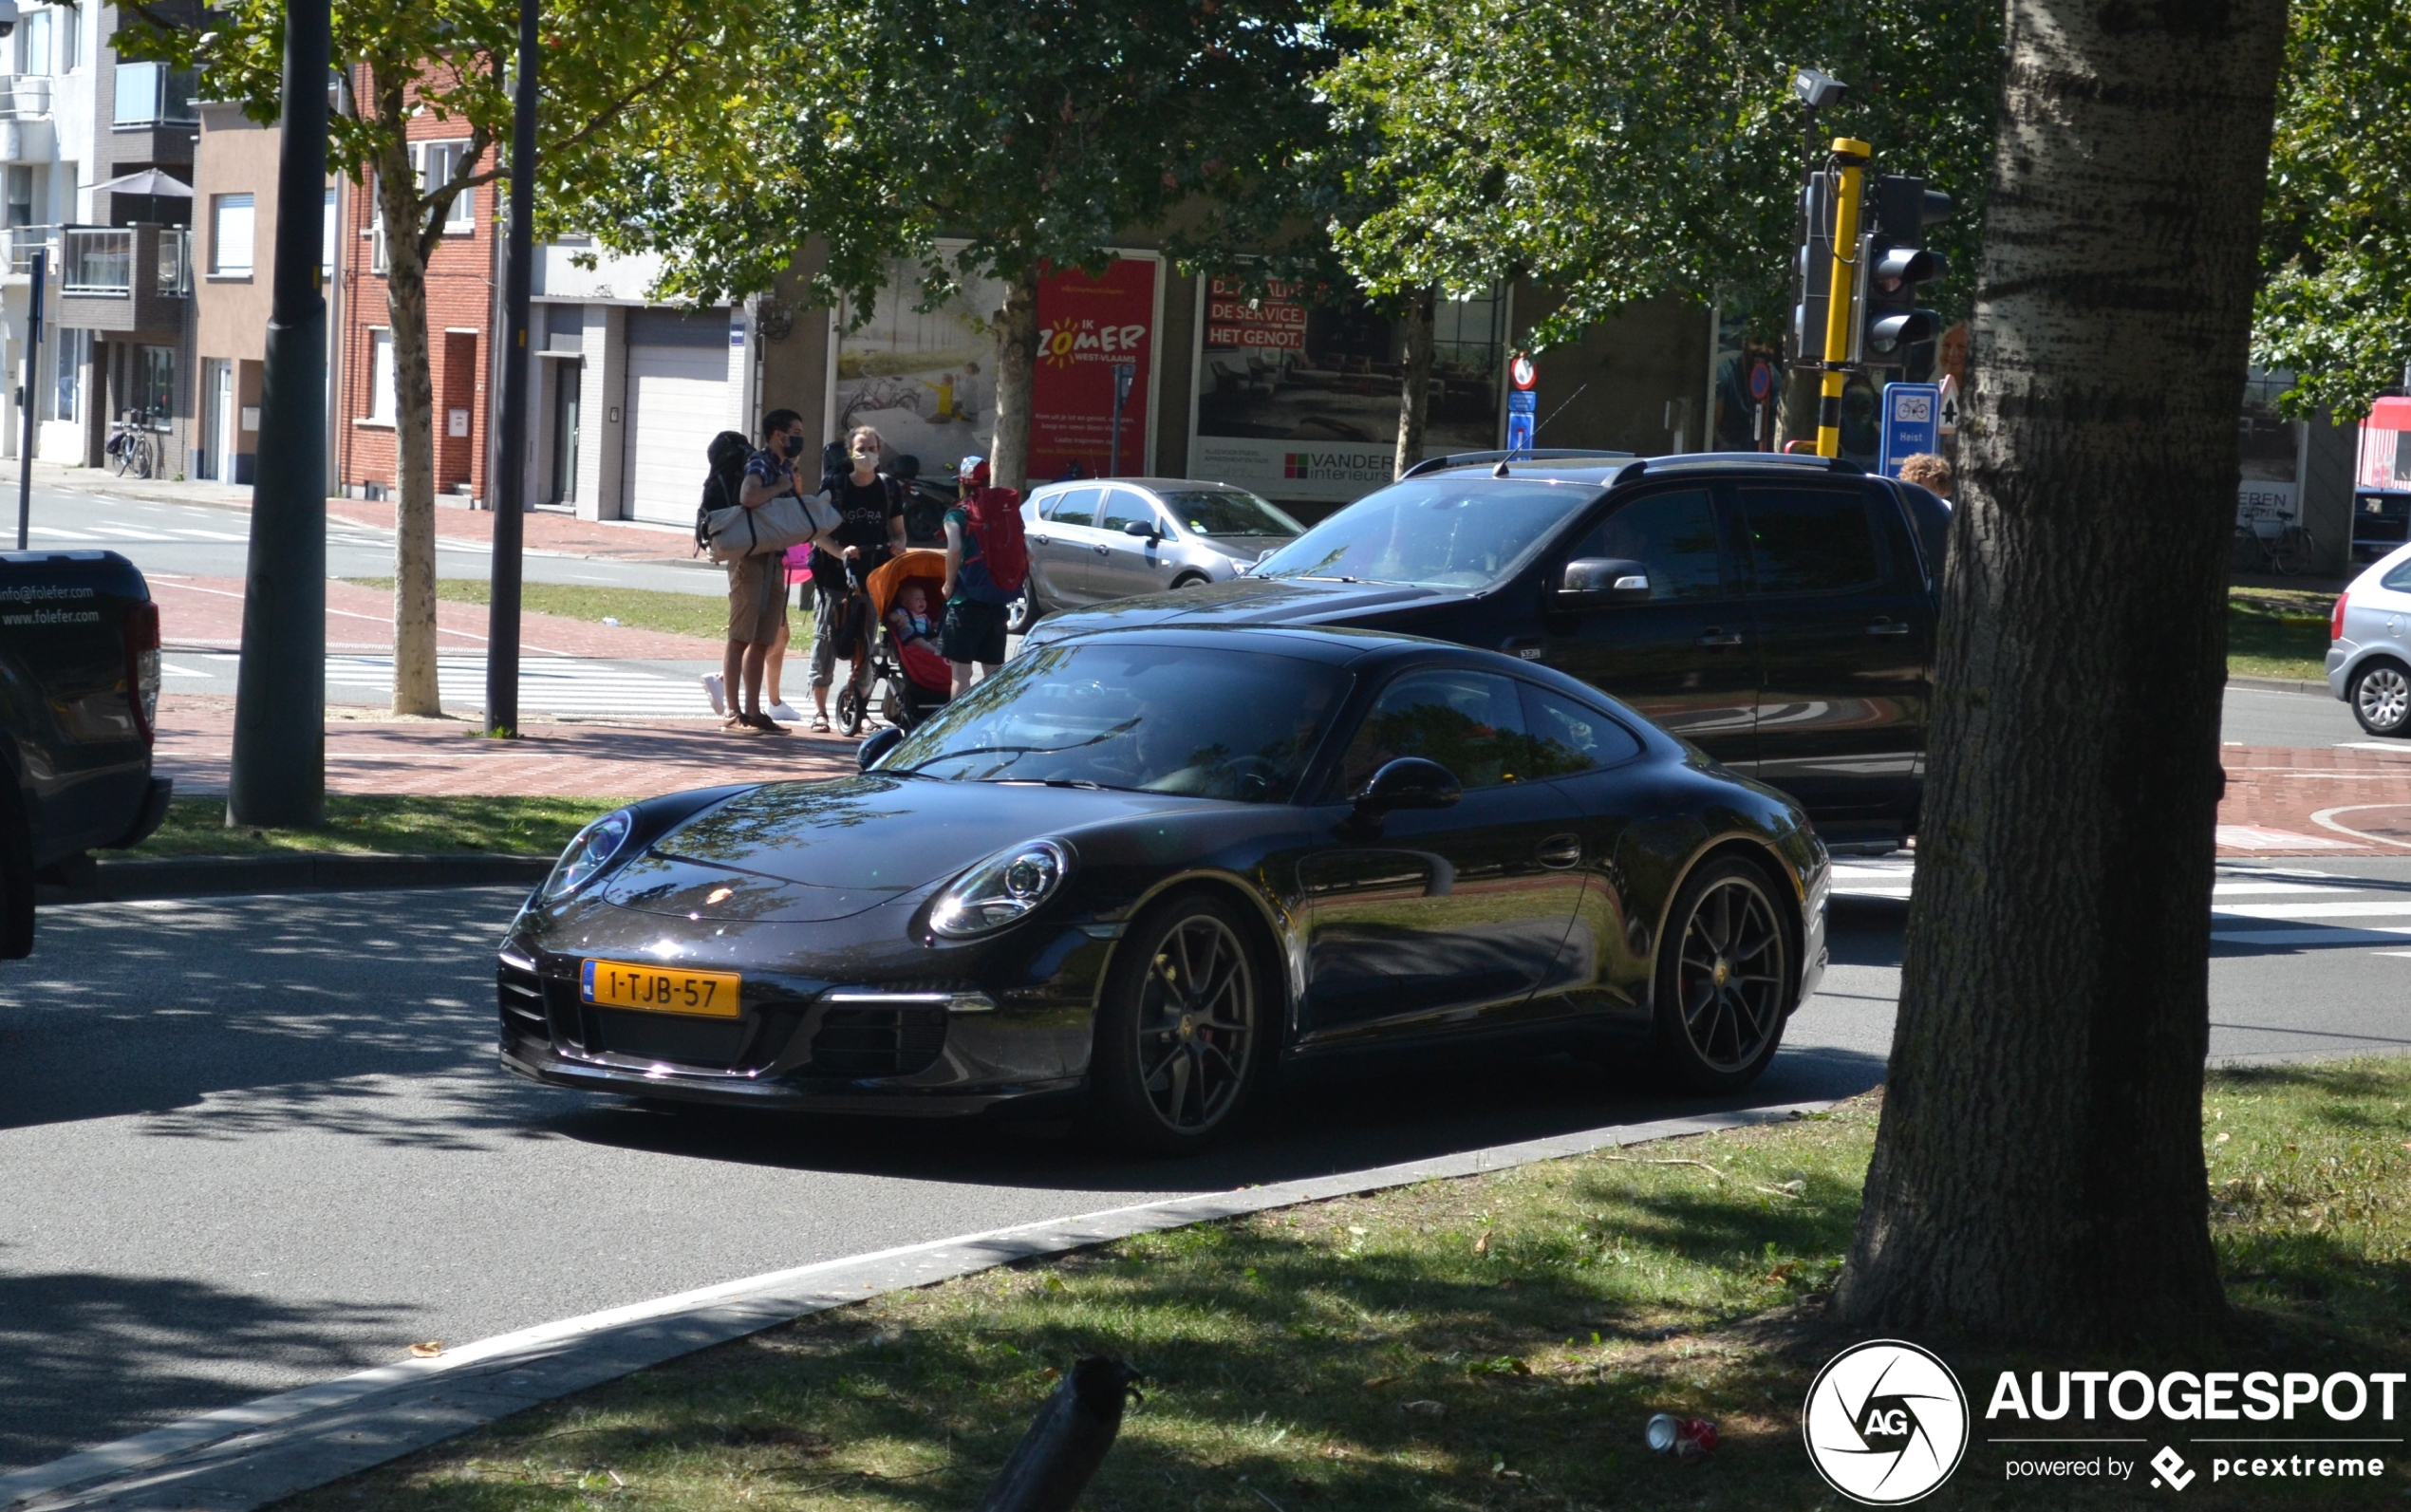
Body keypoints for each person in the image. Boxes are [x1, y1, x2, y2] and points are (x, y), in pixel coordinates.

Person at [714, 408, 819, 736]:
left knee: (762, 639)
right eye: (796, 430)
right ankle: (733, 710)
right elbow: (748, 496)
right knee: (741, 635)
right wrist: (780, 486)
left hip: (774, 557)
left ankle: (754, 710)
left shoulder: (785, 467)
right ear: (778, 434)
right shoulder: (762, 462)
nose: (799, 437)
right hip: (750, 557)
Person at [806, 424, 908, 733]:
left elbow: (900, 531)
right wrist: (840, 552)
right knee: (826, 639)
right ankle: (820, 712)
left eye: (873, 448)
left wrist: (899, 544)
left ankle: (860, 711)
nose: (868, 454)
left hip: (872, 577)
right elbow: (817, 532)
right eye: (862, 448)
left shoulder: (888, 488)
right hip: (834, 577)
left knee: (865, 641)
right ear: (850, 451)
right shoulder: (836, 484)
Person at [942, 455, 1023, 697]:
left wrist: (948, 584)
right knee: (993, 673)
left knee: (961, 674)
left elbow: (954, 549)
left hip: (965, 602)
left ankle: (956, 730)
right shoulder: (1005, 512)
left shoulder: (957, 514)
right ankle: (996, 727)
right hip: (997, 600)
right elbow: (1027, 555)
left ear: (962, 483)